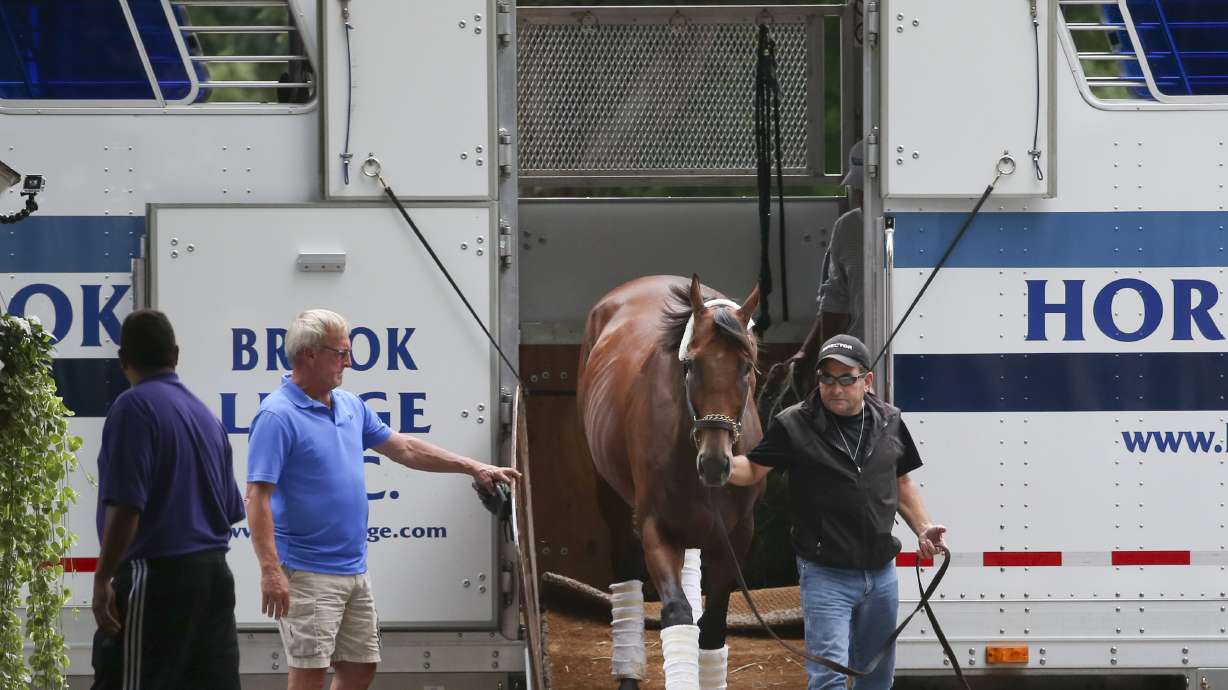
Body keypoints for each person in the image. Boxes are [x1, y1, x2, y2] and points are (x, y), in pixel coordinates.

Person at [246, 309, 520, 690]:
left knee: (361, 668)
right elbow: (256, 497)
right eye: (341, 353)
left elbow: (404, 448)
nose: (349, 362)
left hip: (353, 568)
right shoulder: (277, 416)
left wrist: (472, 467)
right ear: (309, 354)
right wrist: (270, 570)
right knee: (308, 677)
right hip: (307, 572)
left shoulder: (348, 405)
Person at [728, 334, 948, 690]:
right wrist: (720, 466)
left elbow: (902, 483)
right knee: (828, 676)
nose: (835, 388)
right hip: (825, 574)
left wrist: (923, 528)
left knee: (877, 677)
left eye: (846, 379)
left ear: (867, 381)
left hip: (881, 574)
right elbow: (753, 468)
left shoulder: (890, 420)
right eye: (827, 378)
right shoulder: (793, 424)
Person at [91, 309, 246, 690]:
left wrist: (103, 577)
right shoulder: (206, 417)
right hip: (215, 578)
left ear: (122, 359)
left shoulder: (132, 407)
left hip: (158, 576)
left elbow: (127, 506)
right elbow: (230, 509)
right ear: (176, 354)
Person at [792, 141, 867, 387]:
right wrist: (815, 355)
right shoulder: (847, 227)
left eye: (867, 188)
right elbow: (835, 298)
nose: (861, 196)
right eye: (857, 188)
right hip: (858, 359)